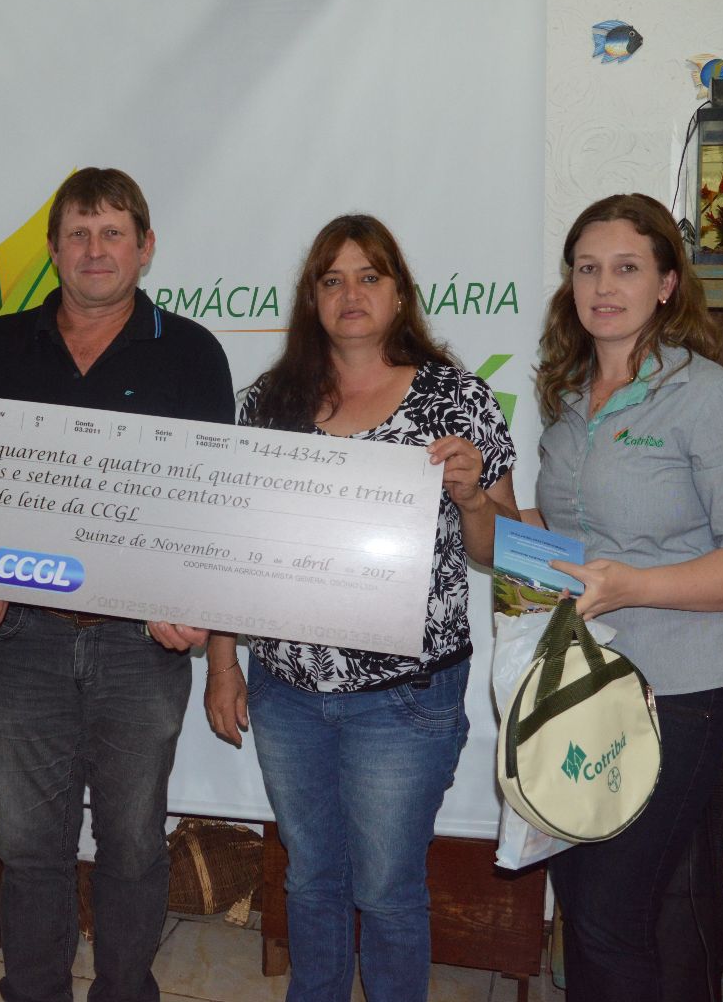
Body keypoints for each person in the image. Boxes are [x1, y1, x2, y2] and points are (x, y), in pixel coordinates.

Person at [202, 214, 518, 1002]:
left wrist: (474, 495)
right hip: (286, 690)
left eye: (369, 276)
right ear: (312, 298)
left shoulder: (456, 400)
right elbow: (235, 547)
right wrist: (221, 663)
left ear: (399, 293)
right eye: (333, 279)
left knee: (386, 891)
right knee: (310, 877)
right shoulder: (266, 404)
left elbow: (501, 549)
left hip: (405, 698)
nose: (351, 293)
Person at [0, 168, 234, 1002]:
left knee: (134, 844)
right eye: (78, 233)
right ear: (53, 249)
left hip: (141, 644)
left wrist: (198, 609)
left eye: (112, 233)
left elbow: (212, 507)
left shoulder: (193, 352)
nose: (95, 250)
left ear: (146, 247)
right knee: (28, 843)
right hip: (24, 635)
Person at [532, 194, 723, 1002]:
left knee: (612, 912)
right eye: (587, 268)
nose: (603, 286)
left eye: (626, 268)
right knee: (581, 898)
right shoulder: (568, 400)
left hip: (676, 692)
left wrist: (633, 586)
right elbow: (568, 531)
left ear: (668, 283)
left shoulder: (714, 398)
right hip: (582, 681)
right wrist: (479, 505)